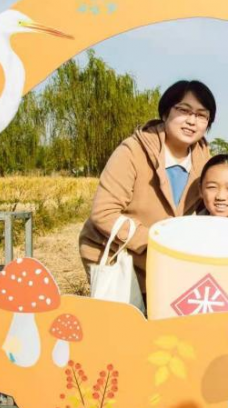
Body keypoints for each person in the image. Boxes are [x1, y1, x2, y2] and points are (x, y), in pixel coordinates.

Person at [78, 80, 215, 295]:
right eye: (183, 110)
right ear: (165, 113)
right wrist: (159, 240)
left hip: (164, 261)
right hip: (117, 255)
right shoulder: (132, 151)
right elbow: (104, 213)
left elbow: (210, 210)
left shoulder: (205, 162)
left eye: (201, 115)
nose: (191, 121)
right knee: (128, 316)